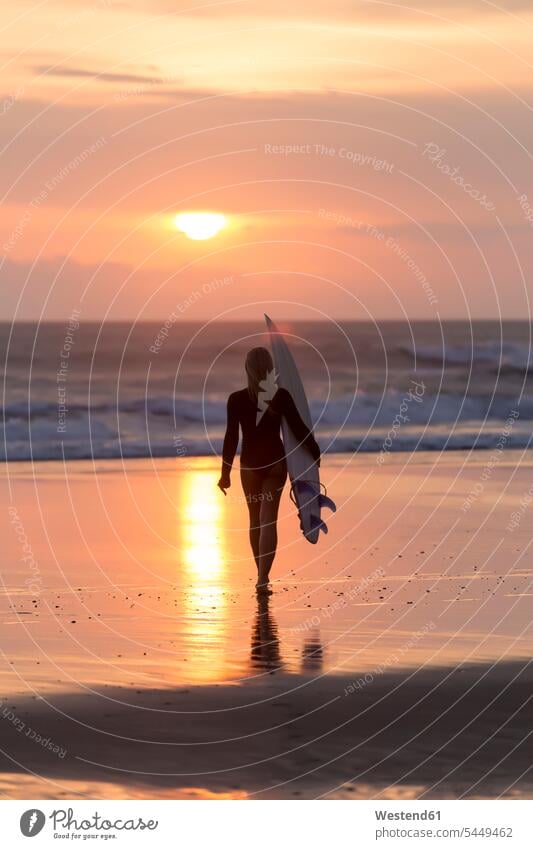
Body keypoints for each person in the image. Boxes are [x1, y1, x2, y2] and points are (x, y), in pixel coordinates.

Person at [218, 346, 320, 593]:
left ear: (247, 369)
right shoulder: (280, 396)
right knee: (268, 521)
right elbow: (297, 428)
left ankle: (261, 576)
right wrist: (315, 452)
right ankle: (263, 578)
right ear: (270, 368)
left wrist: (225, 473)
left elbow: (231, 438)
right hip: (275, 464)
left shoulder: (236, 399)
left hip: (251, 467)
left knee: (255, 522)